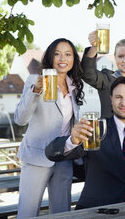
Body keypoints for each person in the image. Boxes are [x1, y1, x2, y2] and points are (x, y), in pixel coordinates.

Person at [45, 76, 125, 209]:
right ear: (111, 99)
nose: (124, 102)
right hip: (95, 212)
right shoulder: (94, 129)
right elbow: (51, 154)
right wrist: (72, 141)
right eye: (118, 97)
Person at [14, 38, 84, 218]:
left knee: (62, 213)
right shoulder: (35, 80)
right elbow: (20, 119)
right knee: (28, 213)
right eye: (57, 54)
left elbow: (69, 123)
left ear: (74, 59)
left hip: (63, 158)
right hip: (37, 156)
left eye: (68, 54)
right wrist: (35, 91)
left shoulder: (74, 85)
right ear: (50, 57)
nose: (63, 58)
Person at [81, 32, 125, 129]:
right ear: (115, 57)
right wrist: (94, 48)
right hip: (108, 138)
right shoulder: (106, 78)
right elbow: (86, 73)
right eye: (120, 56)